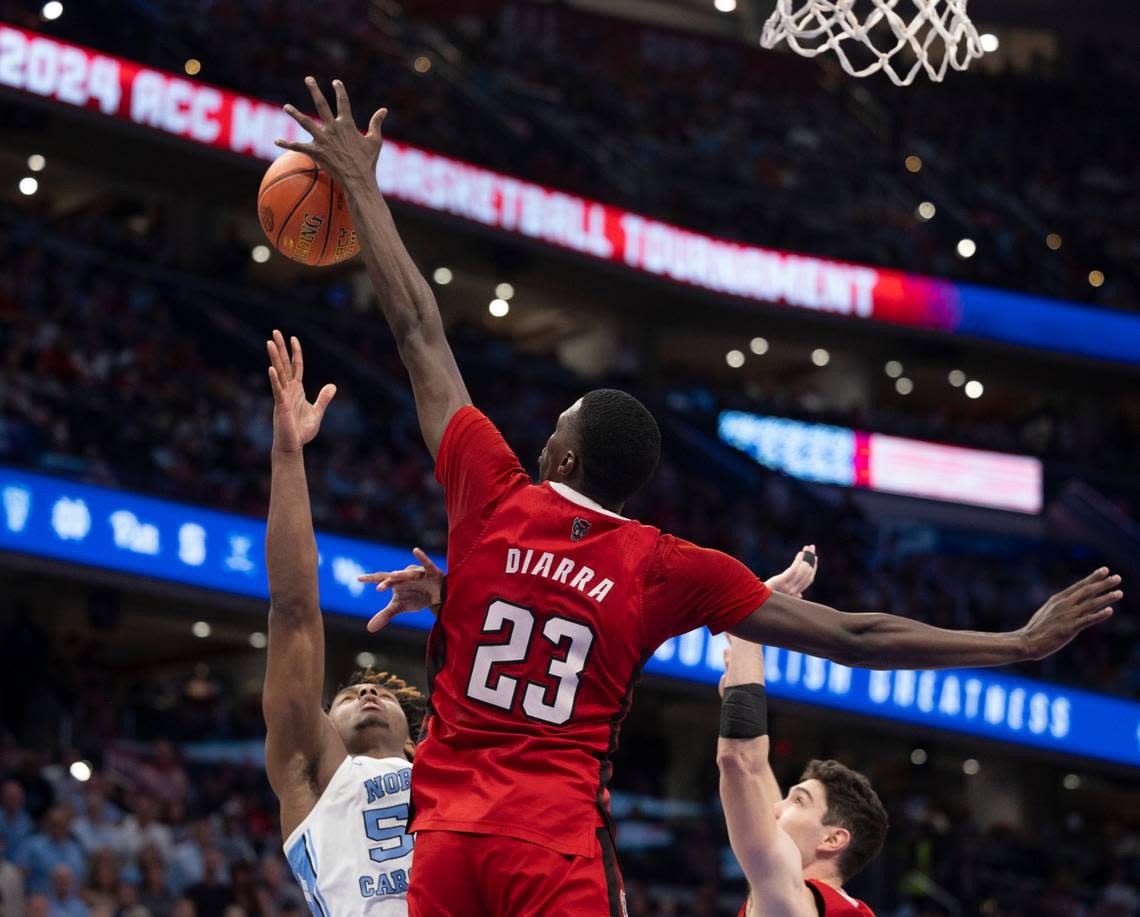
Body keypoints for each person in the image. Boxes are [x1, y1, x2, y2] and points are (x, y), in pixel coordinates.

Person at [277, 78, 1123, 915]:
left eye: (555, 426)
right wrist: (1012, 642)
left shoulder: (491, 493)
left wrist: (361, 185)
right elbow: (856, 635)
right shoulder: (661, 563)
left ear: (562, 451)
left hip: (450, 841)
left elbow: (419, 327)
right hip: (553, 840)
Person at [262, 332, 430, 915]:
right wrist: (288, 456)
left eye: (379, 692)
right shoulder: (314, 772)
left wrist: (454, 601)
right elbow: (293, 612)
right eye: (350, 694)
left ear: (415, 742)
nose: (364, 689)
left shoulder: (448, 771)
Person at [718, 550, 886, 916]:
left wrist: (750, 620)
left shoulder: (791, 901)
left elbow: (740, 762)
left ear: (833, 839)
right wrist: (741, 677)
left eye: (798, 802)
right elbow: (757, 772)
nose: (776, 807)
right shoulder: (840, 908)